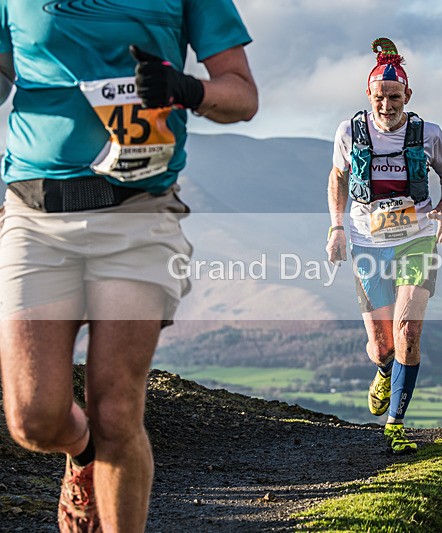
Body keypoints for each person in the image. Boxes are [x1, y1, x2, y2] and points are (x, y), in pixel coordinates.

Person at [0, 2, 257, 531]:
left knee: (118, 410)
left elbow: (242, 95)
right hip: (35, 215)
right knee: (33, 419)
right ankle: (84, 454)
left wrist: (187, 90)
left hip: (138, 215)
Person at [325, 37, 442, 454]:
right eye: (381, 97)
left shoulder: (428, 134)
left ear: (408, 95)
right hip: (368, 241)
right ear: (370, 95)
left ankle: (395, 424)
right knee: (382, 345)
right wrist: (337, 228)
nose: (388, 105)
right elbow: (338, 177)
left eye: (395, 97)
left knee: (407, 330)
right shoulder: (350, 131)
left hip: (416, 239)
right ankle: (385, 371)